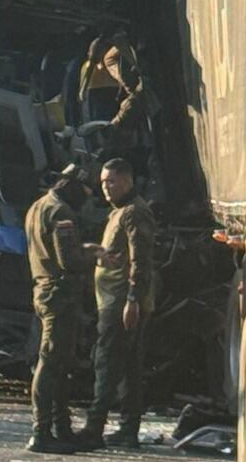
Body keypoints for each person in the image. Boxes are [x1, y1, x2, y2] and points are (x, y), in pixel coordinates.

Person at [77, 158, 157, 450]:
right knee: (127, 368)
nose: (106, 188)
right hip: (114, 299)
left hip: (122, 301)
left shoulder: (135, 213)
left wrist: (132, 300)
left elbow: (141, 259)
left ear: (127, 180)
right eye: (103, 182)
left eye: (112, 181)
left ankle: (94, 428)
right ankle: (127, 429)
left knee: (107, 362)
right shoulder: (119, 212)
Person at [23, 165, 102, 454]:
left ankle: (61, 430)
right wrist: (94, 254)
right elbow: (70, 261)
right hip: (60, 296)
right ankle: (41, 432)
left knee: (59, 364)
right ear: (70, 185)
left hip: (44, 290)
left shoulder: (37, 207)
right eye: (86, 191)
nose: (87, 197)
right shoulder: (62, 213)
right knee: (51, 362)